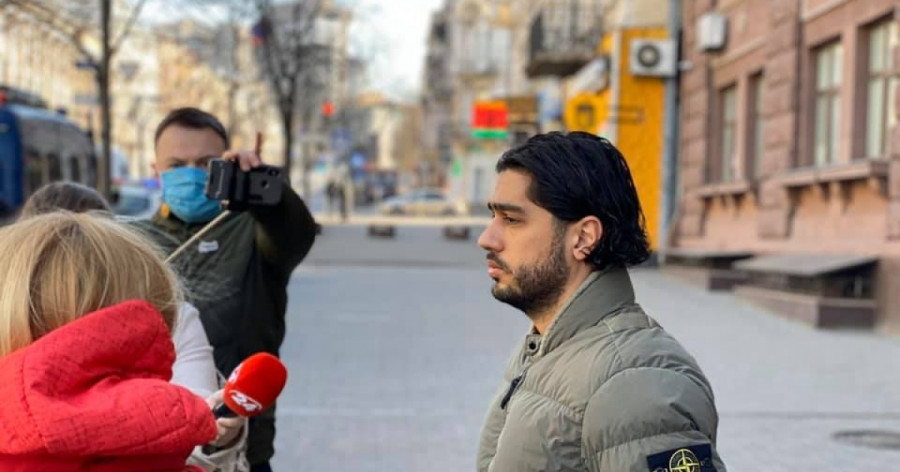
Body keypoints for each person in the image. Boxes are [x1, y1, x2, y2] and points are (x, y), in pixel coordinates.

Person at [475, 132, 726, 472]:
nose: (487, 238)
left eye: (511, 219)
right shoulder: (548, 346)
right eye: (493, 216)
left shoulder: (634, 384)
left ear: (583, 238)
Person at [131, 108, 317, 471]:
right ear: (155, 170)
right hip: (149, 452)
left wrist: (266, 193)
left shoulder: (255, 232)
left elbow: (295, 233)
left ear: (227, 163)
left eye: (205, 163)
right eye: (177, 164)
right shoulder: (132, 244)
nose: (192, 174)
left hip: (241, 452)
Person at [18, 181, 248, 471]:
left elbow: (199, 431)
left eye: (91, 261)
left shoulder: (170, 317)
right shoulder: (12, 326)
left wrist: (215, 430)